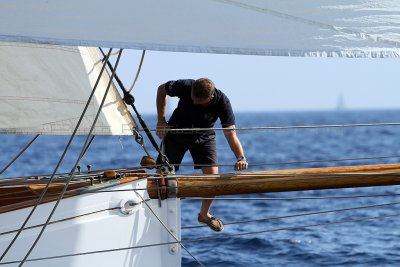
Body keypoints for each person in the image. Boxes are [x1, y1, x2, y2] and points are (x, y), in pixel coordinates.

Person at [156, 78, 248, 232]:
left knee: (213, 179)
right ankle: (158, 213)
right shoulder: (185, 86)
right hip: (177, 132)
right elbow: (161, 89)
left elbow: (231, 134)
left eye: (199, 102)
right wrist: (161, 120)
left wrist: (241, 157)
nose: (194, 103)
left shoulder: (222, 102)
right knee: (160, 176)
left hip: (204, 136)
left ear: (210, 98)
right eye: (192, 99)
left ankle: (204, 214)